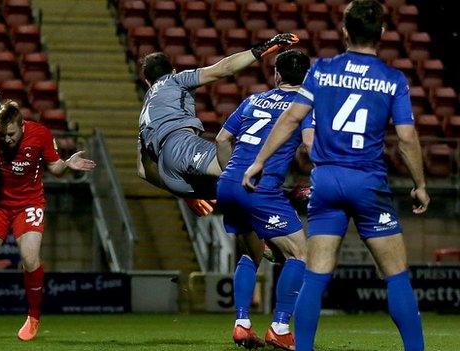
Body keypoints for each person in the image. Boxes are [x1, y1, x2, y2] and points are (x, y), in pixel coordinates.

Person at [242, 1, 429, 350]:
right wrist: (419, 184)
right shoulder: (392, 79)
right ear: (383, 33)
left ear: (344, 31)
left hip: (326, 181)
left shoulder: (322, 71)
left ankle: (304, 347)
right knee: (396, 275)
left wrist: (258, 162)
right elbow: (406, 138)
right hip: (368, 183)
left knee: (316, 274)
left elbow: (291, 119)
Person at [0, 100, 96, 341]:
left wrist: (68, 164)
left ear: (22, 126)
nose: (7, 139)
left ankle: (33, 317)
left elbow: (56, 170)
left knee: (30, 259)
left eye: (11, 134)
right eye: (2, 134)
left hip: (29, 203)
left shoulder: (40, 134)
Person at [137, 33, 300, 215]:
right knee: (243, 171)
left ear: (147, 82)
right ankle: (295, 195)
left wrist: (185, 194)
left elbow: (143, 171)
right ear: (172, 70)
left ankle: (280, 209)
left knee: (240, 195)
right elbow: (224, 68)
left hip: (171, 178)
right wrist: (266, 47)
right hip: (181, 147)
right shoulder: (175, 80)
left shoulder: (144, 114)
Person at [215, 50, 313, 350]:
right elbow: (309, 146)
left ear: (277, 75)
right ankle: (280, 327)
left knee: (249, 255)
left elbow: (221, 139)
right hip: (261, 189)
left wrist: (231, 177)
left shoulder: (252, 99)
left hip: (229, 184)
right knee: (300, 254)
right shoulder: (304, 105)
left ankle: (242, 324)